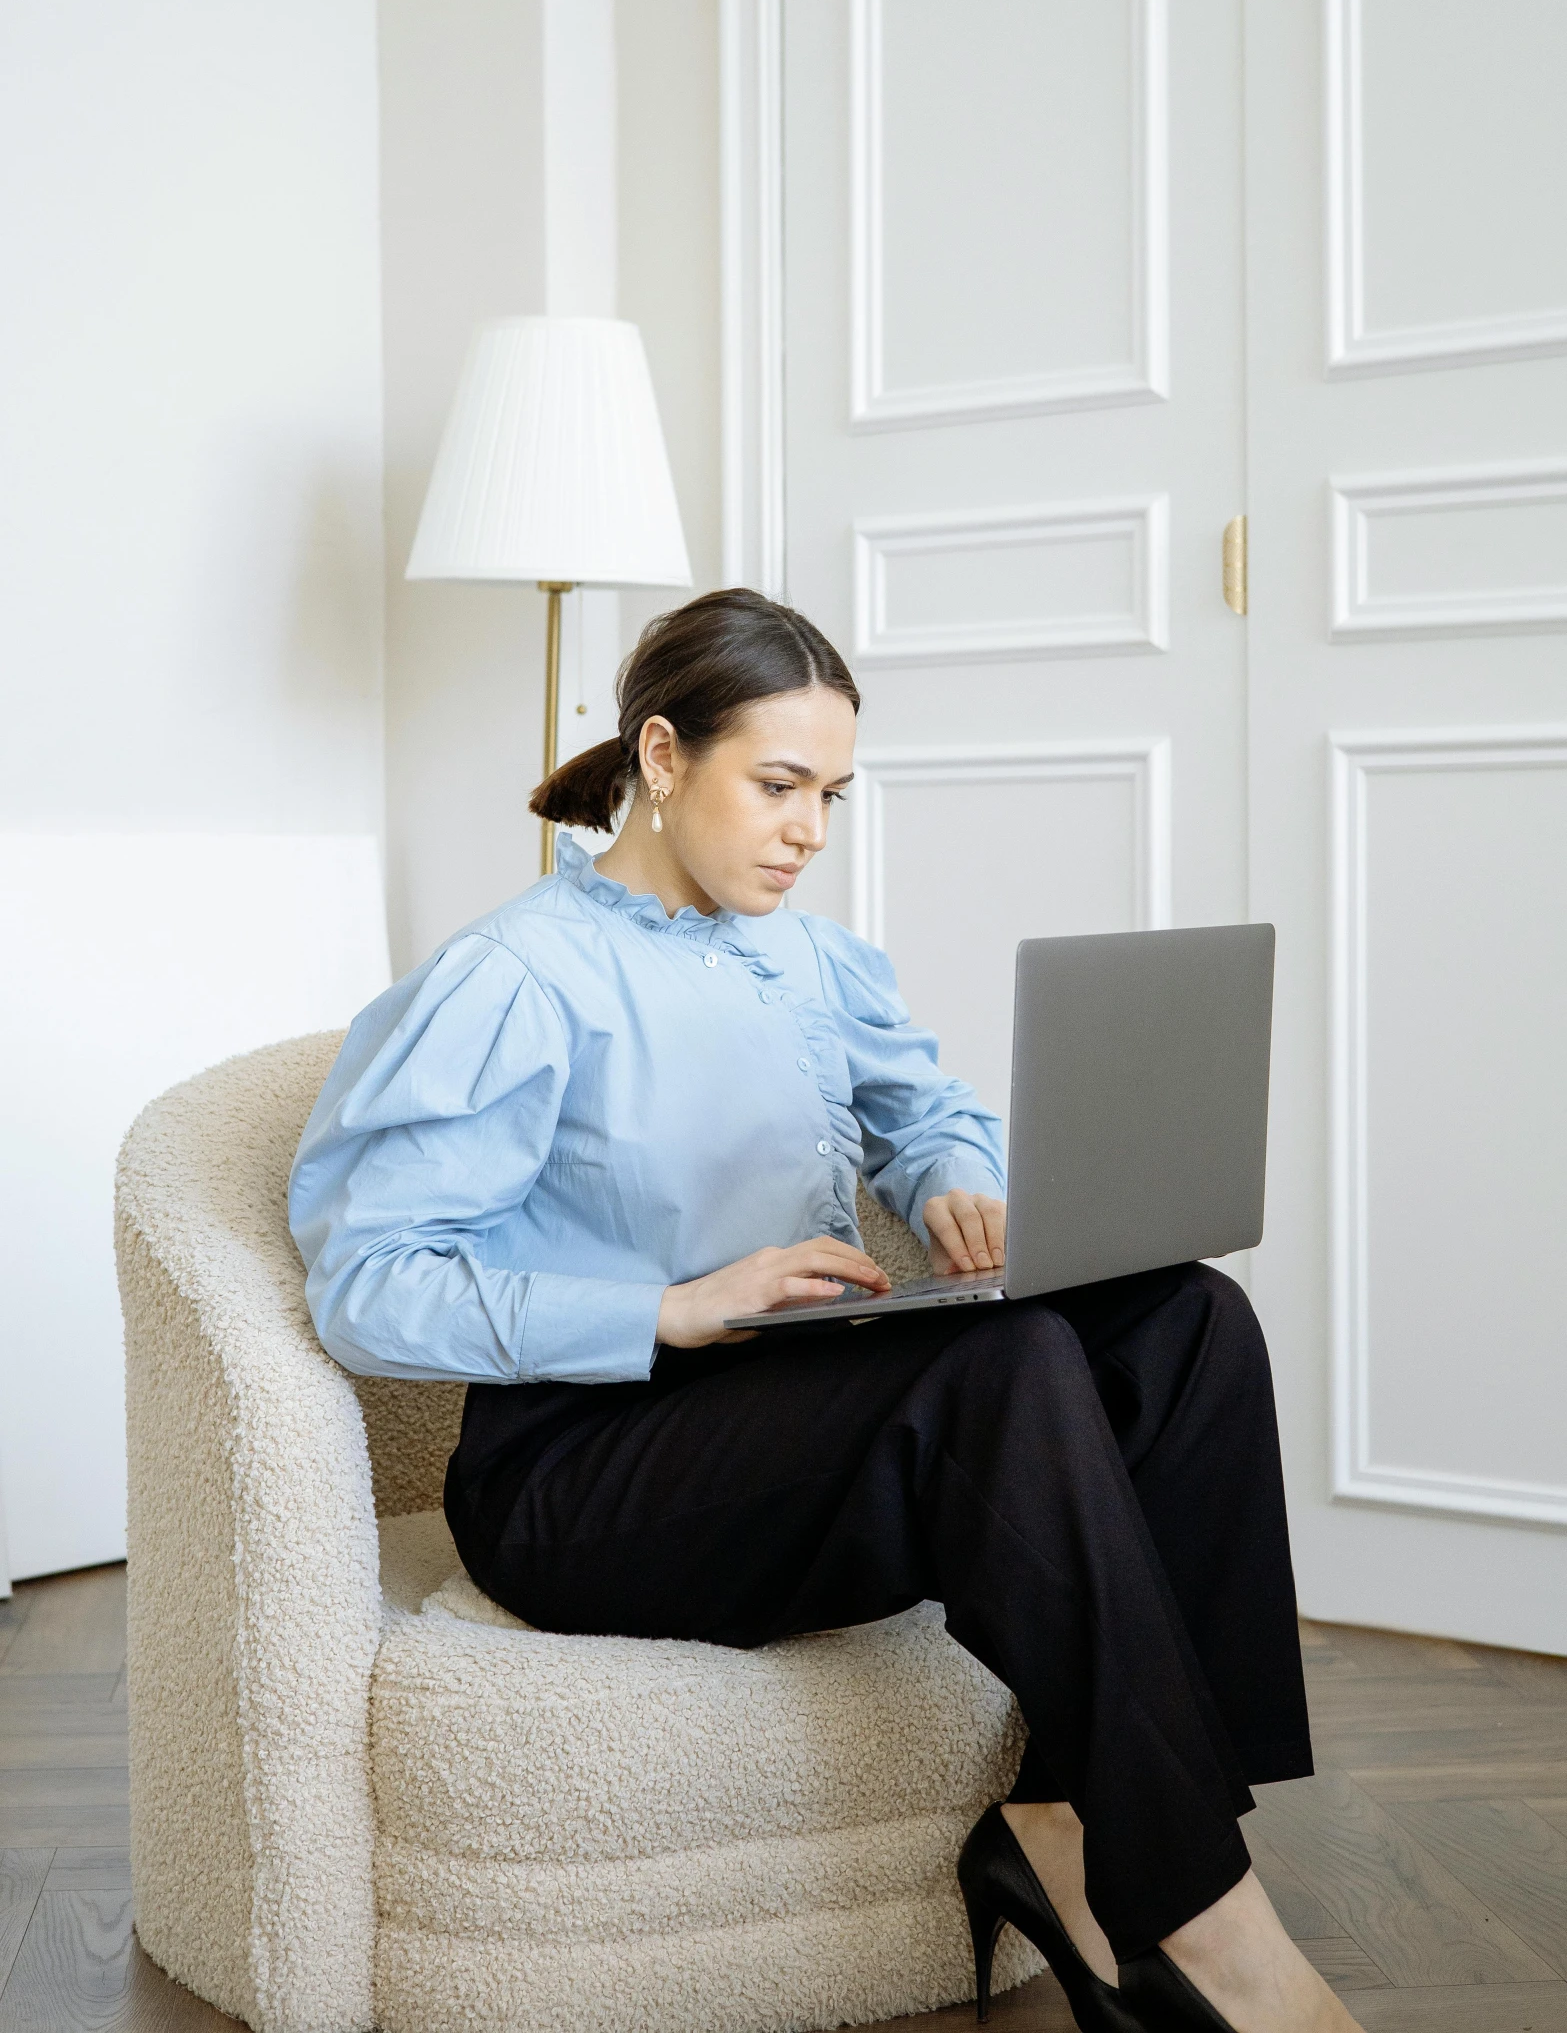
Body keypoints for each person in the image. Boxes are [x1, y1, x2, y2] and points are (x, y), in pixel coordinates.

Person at [290, 587, 1361, 2033]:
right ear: (661, 757)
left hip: (775, 1425)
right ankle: (1207, 1921)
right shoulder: (519, 978)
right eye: (776, 785)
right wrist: (663, 1306)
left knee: (1184, 1322)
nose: (806, 828)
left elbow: (926, 1107)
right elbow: (367, 1283)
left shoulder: (807, 955)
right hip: (579, 1475)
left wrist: (952, 1182)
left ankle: (1060, 1816)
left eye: (830, 795)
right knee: (1007, 1369)